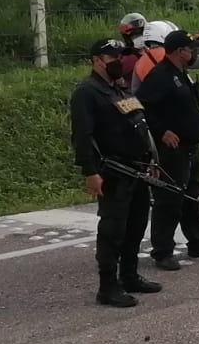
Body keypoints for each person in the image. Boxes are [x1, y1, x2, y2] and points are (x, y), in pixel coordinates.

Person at [70, 39, 164, 308]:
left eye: (120, 57)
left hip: (137, 169)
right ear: (97, 61)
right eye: (112, 58)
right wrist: (90, 171)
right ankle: (108, 286)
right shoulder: (87, 93)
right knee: (112, 230)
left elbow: (138, 126)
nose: (119, 62)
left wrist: (150, 159)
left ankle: (130, 275)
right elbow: (82, 136)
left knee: (135, 225)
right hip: (113, 170)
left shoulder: (120, 89)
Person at [138, 30, 199, 271]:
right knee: (169, 199)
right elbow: (140, 106)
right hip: (174, 150)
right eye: (190, 49)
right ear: (179, 51)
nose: (194, 52)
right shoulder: (161, 75)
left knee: (190, 196)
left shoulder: (182, 73)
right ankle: (162, 251)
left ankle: (198, 241)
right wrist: (161, 131)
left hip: (190, 146)